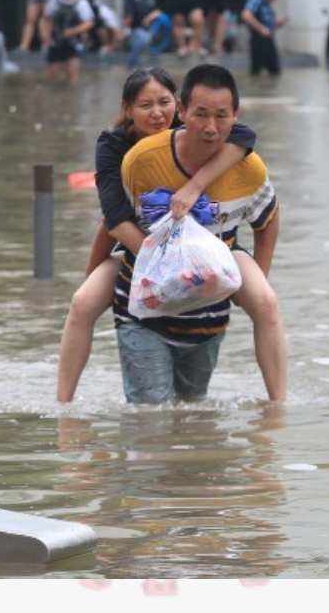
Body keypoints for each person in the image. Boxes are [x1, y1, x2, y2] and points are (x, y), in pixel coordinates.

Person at [56, 67, 287, 404]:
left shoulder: (201, 131)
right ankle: (64, 405)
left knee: (266, 301)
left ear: (176, 106)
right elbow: (112, 220)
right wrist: (160, 259)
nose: (156, 113)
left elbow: (244, 137)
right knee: (82, 302)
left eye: (163, 102)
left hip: (215, 245)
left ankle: (278, 406)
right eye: (145, 105)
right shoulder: (120, 150)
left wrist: (195, 187)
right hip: (139, 245)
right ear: (127, 110)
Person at [42, 0, 94, 84]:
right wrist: (45, 35)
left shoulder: (82, 3)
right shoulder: (54, 1)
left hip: (73, 41)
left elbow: (88, 23)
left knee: (72, 73)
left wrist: (73, 31)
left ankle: (72, 96)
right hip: (56, 40)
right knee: (53, 74)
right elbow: (47, 20)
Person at [241, 0, 287, 76]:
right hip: (259, 39)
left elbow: (266, 21)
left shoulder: (266, 3)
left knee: (274, 69)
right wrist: (261, 28)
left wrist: (277, 24)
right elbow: (246, 15)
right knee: (256, 69)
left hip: (268, 38)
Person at [116, 0, 162, 70]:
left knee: (134, 57)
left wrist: (124, 30)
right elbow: (156, 11)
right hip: (147, 31)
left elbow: (129, 16)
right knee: (141, 55)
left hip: (137, 30)